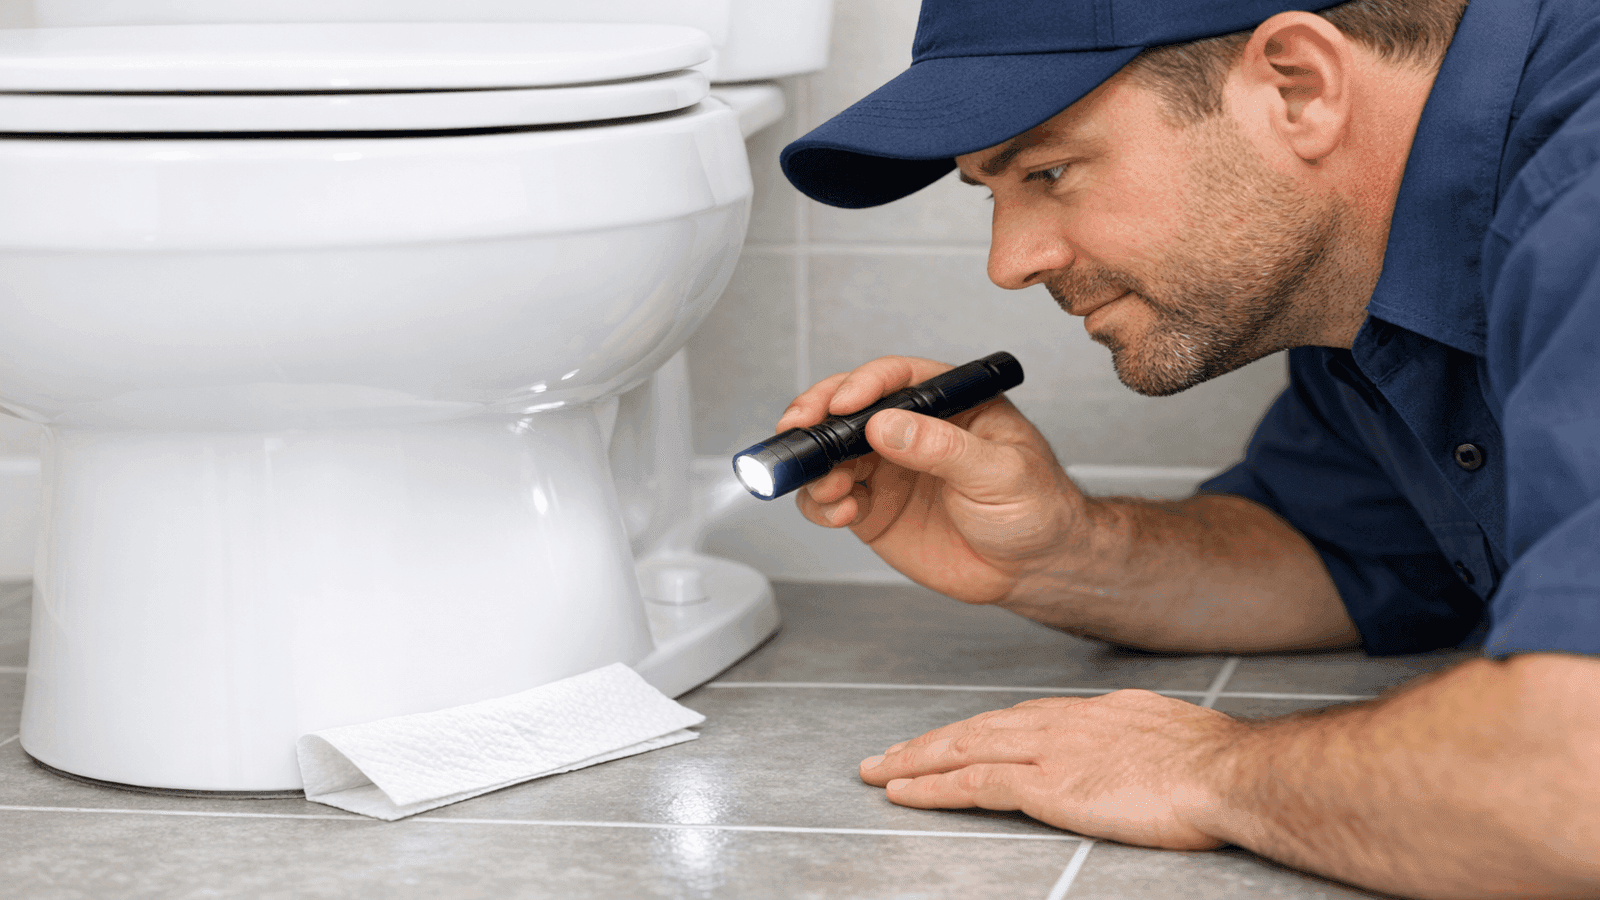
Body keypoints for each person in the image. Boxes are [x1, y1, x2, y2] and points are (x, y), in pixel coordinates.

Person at [772, 0, 1600, 897]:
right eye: (990, 191)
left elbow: (1575, 785)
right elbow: (1355, 550)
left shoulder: (1581, 196)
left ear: (1299, 87)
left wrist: (1212, 774)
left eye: (1049, 170)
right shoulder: (1362, 264)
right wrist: (1067, 552)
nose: (1009, 262)